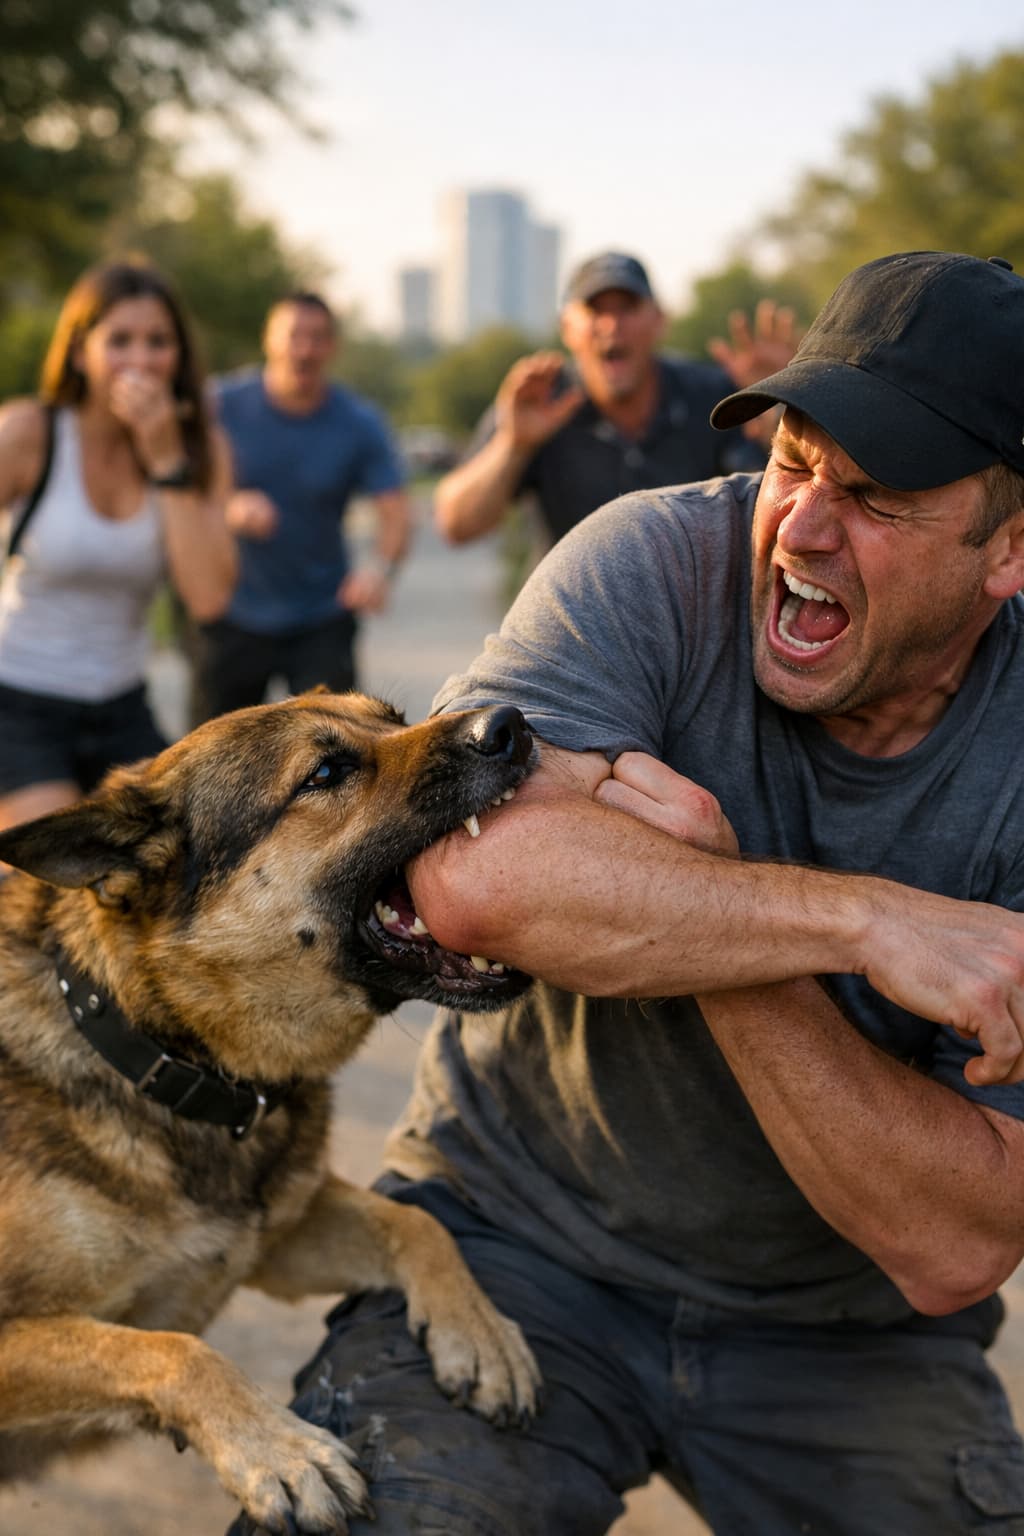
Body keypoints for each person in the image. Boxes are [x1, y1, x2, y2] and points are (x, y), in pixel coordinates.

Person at [230, 251, 1024, 1536]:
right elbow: (470, 878)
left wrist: (703, 905)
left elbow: (953, 1241)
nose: (804, 529)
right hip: (511, 1241)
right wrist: (861, 919)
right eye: (794, 462)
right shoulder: (654, 558)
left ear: (1011, 548)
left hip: (843, 1331)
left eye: (875, 498)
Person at [0, 257, 236, 833]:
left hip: (122, 706)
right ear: (81, 352)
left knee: (179, 859)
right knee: (59, 874)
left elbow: (208, 598)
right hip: (18, 701)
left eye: (158, 341)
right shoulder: (29, 432)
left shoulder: (200, 449)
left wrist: (164, 459)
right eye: (120, 340)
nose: (140, 359)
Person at [433, 249, 799, 548]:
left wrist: (781, 409)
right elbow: (457, 524)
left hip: (690, 621)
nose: (612, 325)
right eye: (596, 310)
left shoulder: (711, 395)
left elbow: (784, 515)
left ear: (658, 320)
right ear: (567, 328)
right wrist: (514, 444)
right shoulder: (539, 400)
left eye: (627, 308)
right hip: (573, 624)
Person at [190, 292, 411, 722]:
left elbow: (395, 510)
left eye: (318, 338)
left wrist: (379, 570)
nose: (305, 349)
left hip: (321, 614)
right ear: (268, 340)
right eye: (293, 335)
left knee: (342, 747)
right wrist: (230, 505)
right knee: (211, 763)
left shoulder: (358, 422)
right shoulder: (219, 406)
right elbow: (178, 488)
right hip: (231, 610)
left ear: (333, 347)